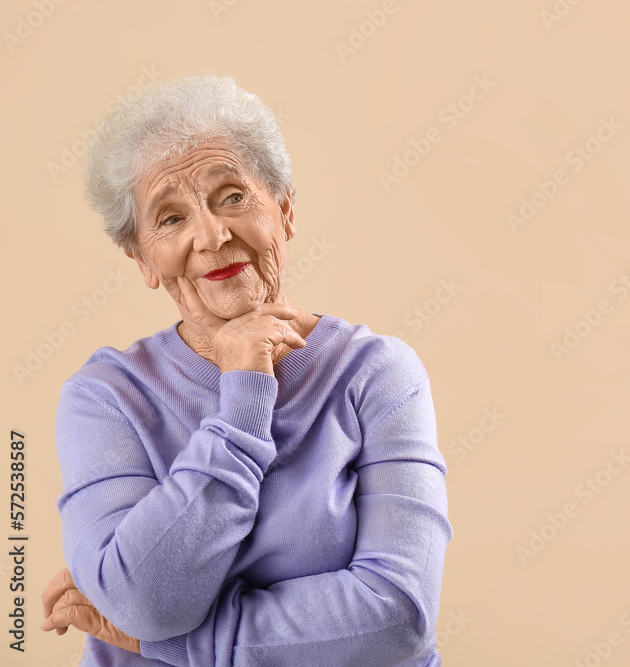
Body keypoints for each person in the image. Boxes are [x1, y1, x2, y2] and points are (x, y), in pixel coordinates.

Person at [38, 73, 453, 666]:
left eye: (232, 196)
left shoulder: (378, 373)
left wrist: (172, 646)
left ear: (284, 210)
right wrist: (244, 397)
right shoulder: (104, 398)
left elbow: (397, 618)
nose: (212, 235)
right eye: (171, 217)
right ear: (142, 259)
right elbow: (145, 602)